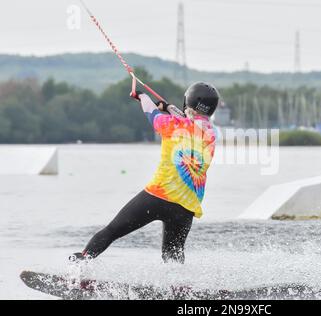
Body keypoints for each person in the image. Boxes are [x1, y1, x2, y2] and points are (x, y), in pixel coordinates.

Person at [69, 82, 219, 264]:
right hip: (185, 207)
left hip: (158, 197)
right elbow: (190, 121)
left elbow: (153, 115)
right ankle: (179, 288)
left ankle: (82, 263)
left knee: (112, 230)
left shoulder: (174, 125)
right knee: (173, 254)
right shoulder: (211, 133)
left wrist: (142, 96)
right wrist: (168, 108)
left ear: (188, 102)